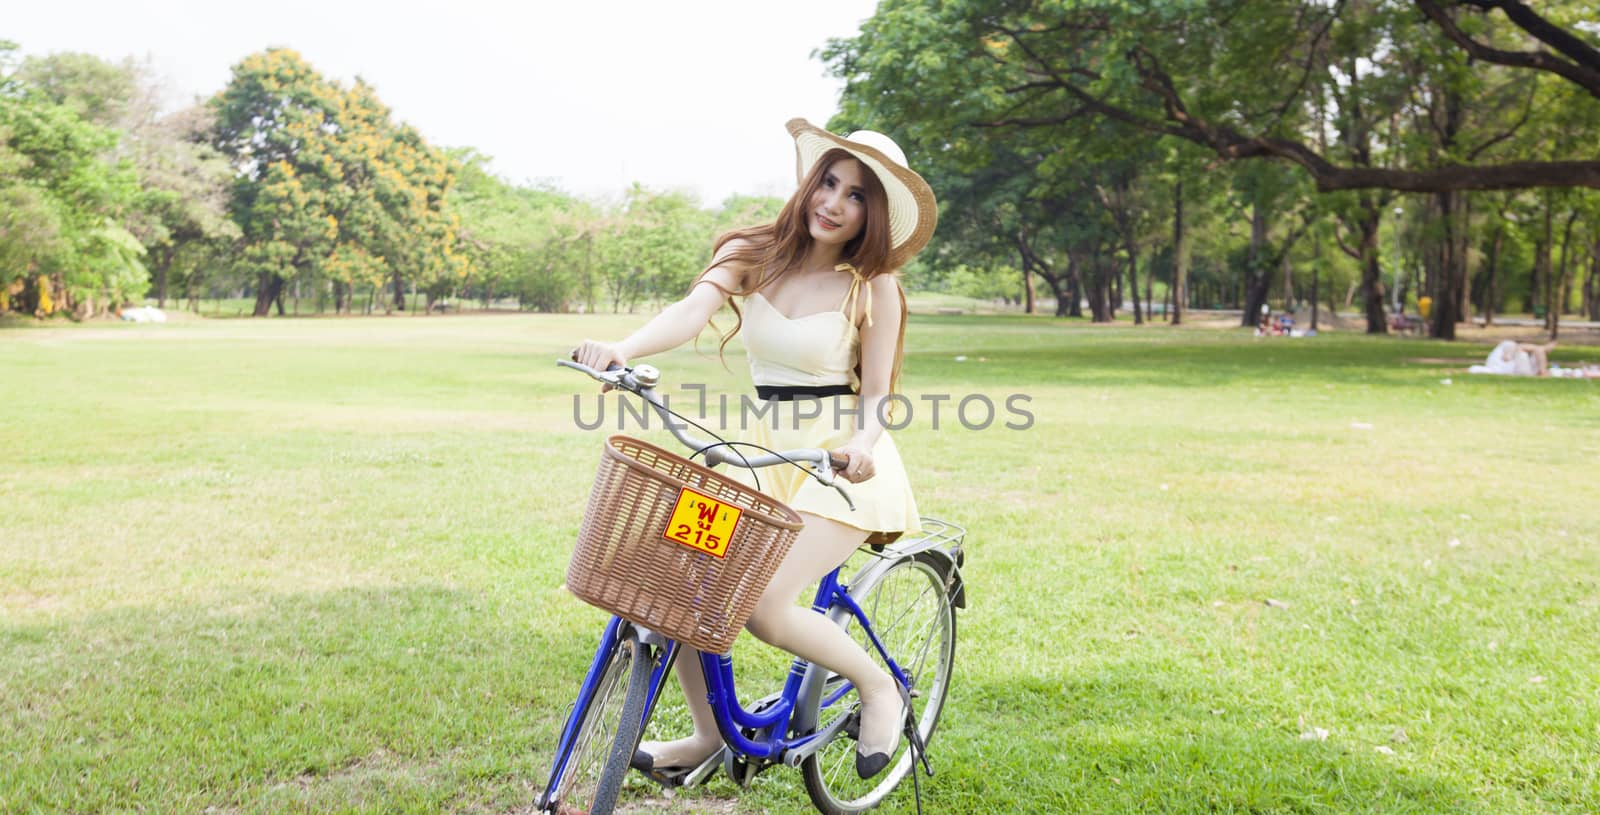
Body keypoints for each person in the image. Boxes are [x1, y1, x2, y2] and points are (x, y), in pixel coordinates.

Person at [570, 118, 936, 781]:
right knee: (673, 578)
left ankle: (880, 689)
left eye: (857, 195)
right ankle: (710, 734)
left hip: (840, 464)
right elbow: (688, 312)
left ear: (872, 214)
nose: (834, 202)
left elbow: (878, 392)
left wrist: (861, 442)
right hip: (760, 453)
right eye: (829, 182)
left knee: (767, 607)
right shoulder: (750, 251)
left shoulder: (873, 284)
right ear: (809, 182)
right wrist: (623, 348)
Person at [1476, 339, 1556, 377]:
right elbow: (1506, 357)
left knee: (1537, 350)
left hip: (1510, 369)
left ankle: (1543, 349)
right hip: (1510, 370)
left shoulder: (1505, 348)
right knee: (1538, 350)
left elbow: (1507, 357)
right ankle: (1544, 349)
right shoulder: (1508, 345)